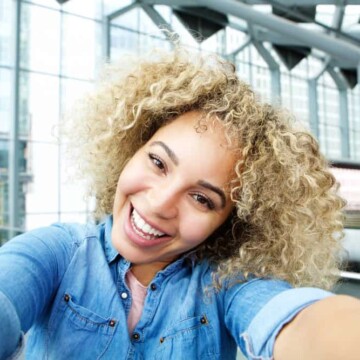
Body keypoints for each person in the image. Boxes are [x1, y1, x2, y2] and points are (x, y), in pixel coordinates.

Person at [0, 47, 359, 360]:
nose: (159, 203)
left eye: (202, 199)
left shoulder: (225, 286)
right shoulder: (59, 253)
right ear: (131, 149)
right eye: (158, 163)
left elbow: (296, 320)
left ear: (231, 222)